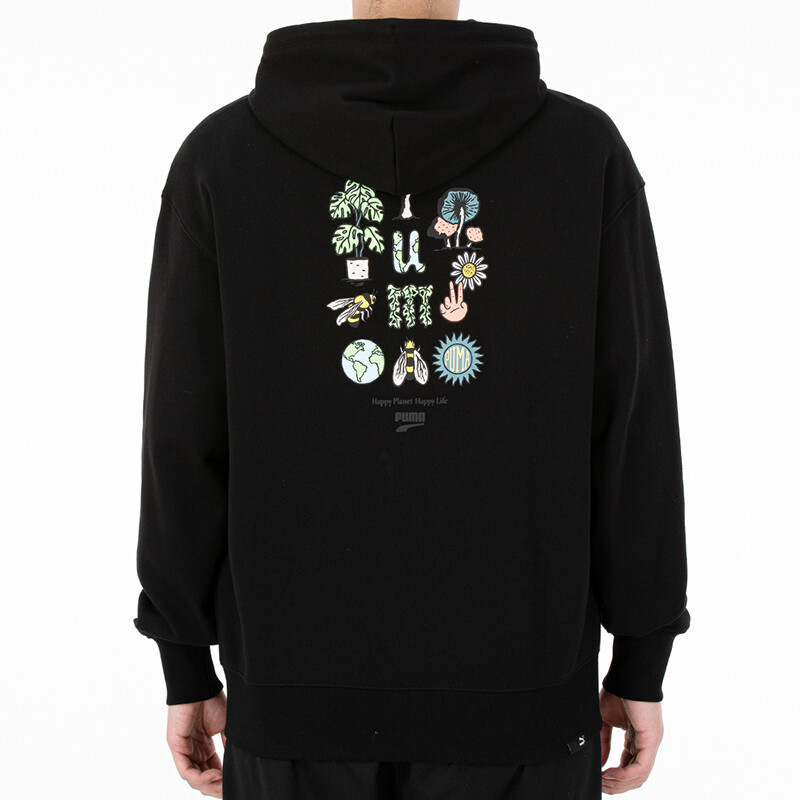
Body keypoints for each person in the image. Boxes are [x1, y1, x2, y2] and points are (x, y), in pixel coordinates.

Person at [133, 0, 691, 797]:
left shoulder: (220, 159)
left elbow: (181, 434)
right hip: (523, 701)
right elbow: (632, 425)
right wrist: (642, 657)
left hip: (294, 707)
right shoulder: (580, 152)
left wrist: (184, 661)